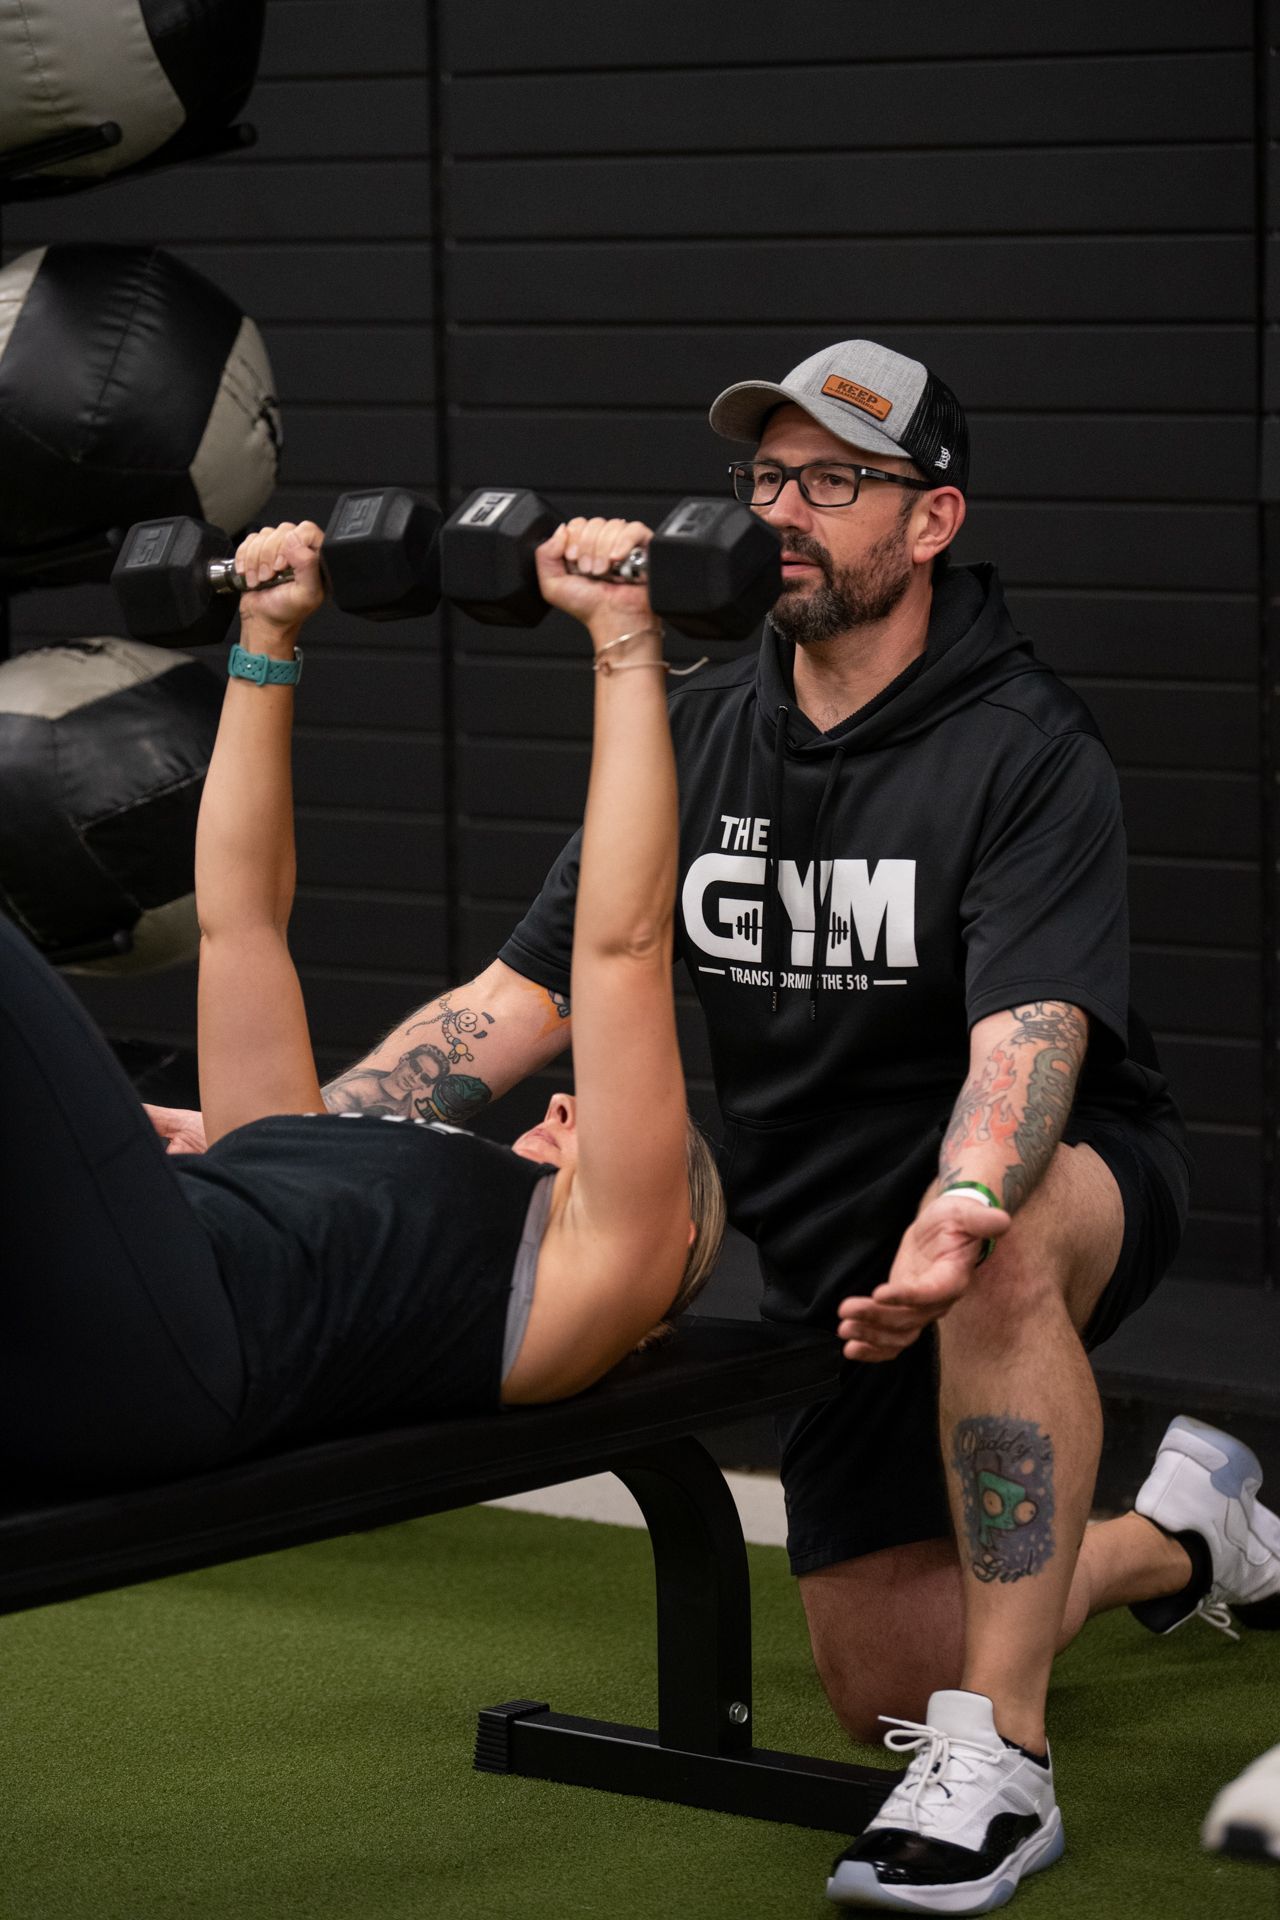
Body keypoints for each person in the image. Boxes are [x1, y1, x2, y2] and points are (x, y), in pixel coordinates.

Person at [148, 344, 1279, 1913]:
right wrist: (288, 1149)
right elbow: (509, 1002)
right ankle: (1181, 1536)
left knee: (1005, 1251)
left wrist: (960, 1202)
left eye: (838, 481)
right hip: (825, 1232)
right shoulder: (699, 734)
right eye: (771, 477)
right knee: (884, 1684)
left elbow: (1029, 1048)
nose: (786, 510)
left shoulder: (1026, 748)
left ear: (932, 518)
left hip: (1048, 1169)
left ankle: (1003, 1767)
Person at [0, 511, 724, 1496]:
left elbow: (620, 949)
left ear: (670, 1236)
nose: (559, 1101)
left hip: (179, 1342)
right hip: (108, 1315)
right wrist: (266, 634)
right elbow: (240, 922)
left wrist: (624, 635)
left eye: (646, 1155)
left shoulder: (603, 1270)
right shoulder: (288, 1139)